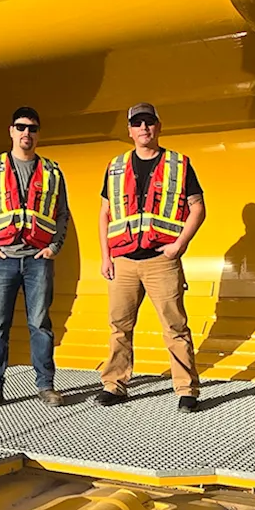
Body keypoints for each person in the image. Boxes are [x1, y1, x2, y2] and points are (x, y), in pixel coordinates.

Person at [96, 102, 206, 412]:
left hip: (161, 260)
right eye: (138, 123)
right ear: (129, 131)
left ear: (158, 127)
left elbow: (197, 207)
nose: (144, 128)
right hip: (124, 261)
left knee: (175, 326)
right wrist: (106, 257)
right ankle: (114, 384)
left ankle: (186, 389)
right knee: (119, 325)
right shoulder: (116, 166)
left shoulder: (179, 164)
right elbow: (105, 212)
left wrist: (179, 245)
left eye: (149, 122)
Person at [0, 107, 71, 409]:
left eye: (33, 128)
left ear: (38, 134)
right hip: (1, 259)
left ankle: (46, 386)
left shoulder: (52, 171)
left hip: (38, 260)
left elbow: (63, 214)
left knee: (40, 324)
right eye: (21, 127)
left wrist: (55, 246)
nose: (27, 133)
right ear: (11, 131)